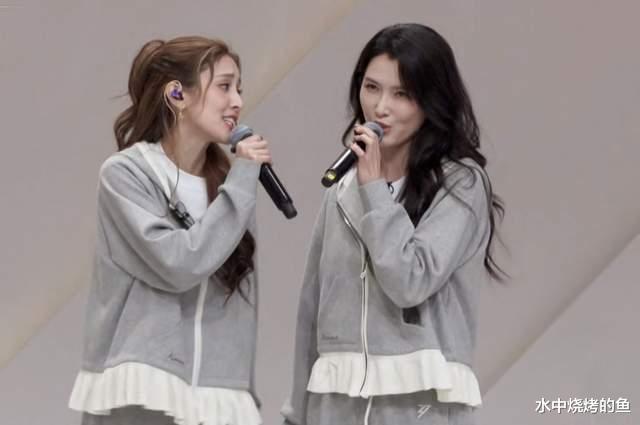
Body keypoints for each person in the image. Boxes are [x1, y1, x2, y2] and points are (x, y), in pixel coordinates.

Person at [282, 23, 505, 425]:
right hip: (335, 403)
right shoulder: (343, 188)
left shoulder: (461, 184)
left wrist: (374, 189)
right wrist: (296, 413)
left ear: (430, 100)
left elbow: (410, 281)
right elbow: (313, 305)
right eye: (371, 88)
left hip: (417, 404)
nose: (380, 107)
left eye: (402, 94)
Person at [68, 36, 271, 425]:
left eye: (239, 89)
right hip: (145, 389)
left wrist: (242, 387)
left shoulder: (231, 187)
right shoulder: (126, 175)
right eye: (224, 86)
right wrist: (244, 179)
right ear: (177, 94)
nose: (237, 102)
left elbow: (244, 300)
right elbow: (179, 263)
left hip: (216, 395)